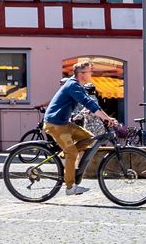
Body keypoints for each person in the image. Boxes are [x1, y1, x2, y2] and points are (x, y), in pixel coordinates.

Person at [45, 60, 120, 196]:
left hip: (63, 123)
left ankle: (63, 156)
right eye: (89, 71)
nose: (91, 74)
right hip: (55, 124)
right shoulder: (72, 85)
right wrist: (106, 118)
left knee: (89, 138)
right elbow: (88, 103)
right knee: (72, 152)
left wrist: (106, 117)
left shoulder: (78, 85)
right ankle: (70, 187)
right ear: (81, 74)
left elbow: (90, 102)